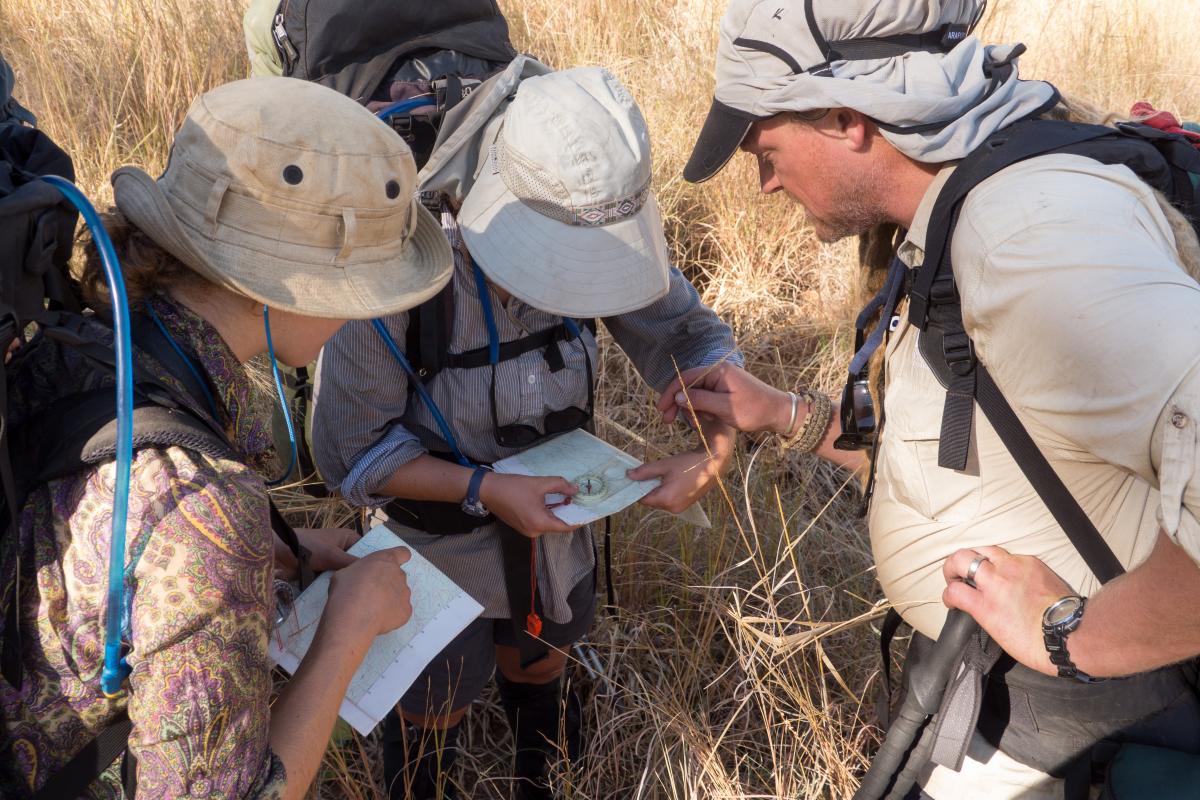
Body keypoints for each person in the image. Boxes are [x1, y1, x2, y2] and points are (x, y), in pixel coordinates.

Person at [664, 0, 1200, 798]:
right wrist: (787, 414)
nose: (766, 181)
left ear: (849, 117)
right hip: (1013, 709)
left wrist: (1073, 635)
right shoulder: (959, 205)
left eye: (766, 148)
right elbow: (985, 441)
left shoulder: (1024, 235)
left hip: (1082, 737)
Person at [0, 76, 453, 798]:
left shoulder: (83, 337)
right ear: (275, 289)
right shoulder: (199, 506)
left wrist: (279, 550)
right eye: (361, 289)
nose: (365, 315)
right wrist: (347, 629)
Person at [311, 66, 740, 800]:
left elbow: (692, 336)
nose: (569, 287)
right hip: (430, 550)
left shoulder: (597, 216)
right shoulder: (396, 266)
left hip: (555, 541)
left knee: (541, 661)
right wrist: (483, 487)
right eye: (552, 265)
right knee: (436, 698)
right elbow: (350, 454)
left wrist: (716, 447)